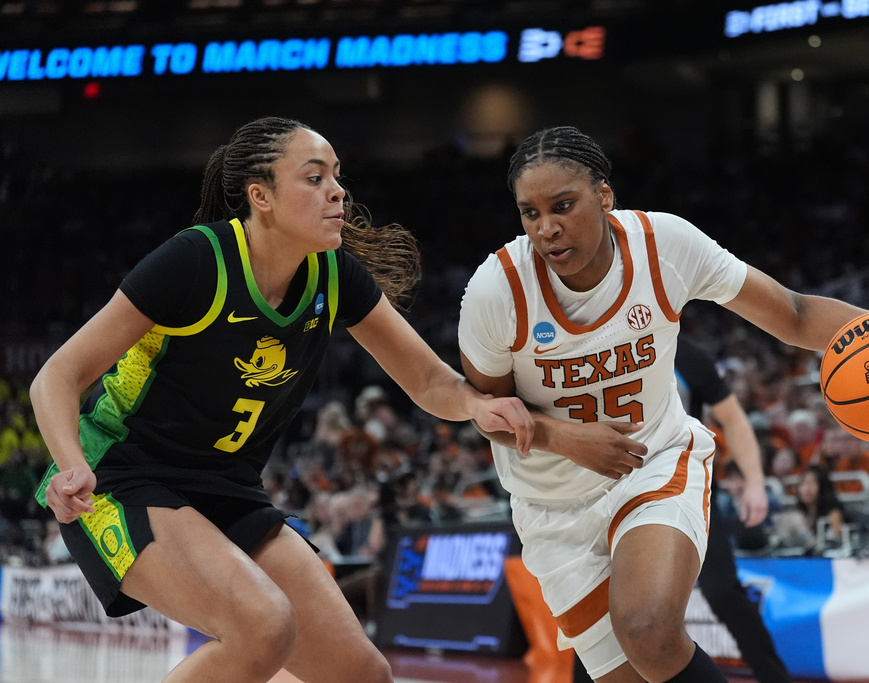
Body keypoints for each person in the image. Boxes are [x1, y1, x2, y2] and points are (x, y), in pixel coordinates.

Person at [29, 116, 533, 683]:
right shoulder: (198, 260)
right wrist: (71, 466)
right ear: (260, 196)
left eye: (337, 177)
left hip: (229, 491)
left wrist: (476, 406)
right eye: (314, 178)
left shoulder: (335, 276)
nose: (338, 191)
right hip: (126, 477)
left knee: (360, 674)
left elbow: (430, 382)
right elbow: (57, 375)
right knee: (263, 627)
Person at [457, 126, 869, 683]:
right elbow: (489, 412)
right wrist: (562, 437)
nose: (546, 228)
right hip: (553, 507)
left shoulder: (665, 246)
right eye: (530, 213)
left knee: (647, 627)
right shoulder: (496, 292)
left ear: (604, 196)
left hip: (652, 462)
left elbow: (791, 313)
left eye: (563, 205)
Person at [674, 337, 792, 683]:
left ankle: (775, 678)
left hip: (689, 483)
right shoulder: (602, 341)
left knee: (722, 589)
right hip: (623, 486)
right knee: (603, 599)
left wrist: (755, 483)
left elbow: (734, 418)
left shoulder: (688, 354)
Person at [793, 465, 845, 549]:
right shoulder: (798, 514)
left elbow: (835, 539)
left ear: (823, 486)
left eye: (812, 483)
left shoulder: (834, 513)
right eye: (804, 483)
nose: (807, 488)